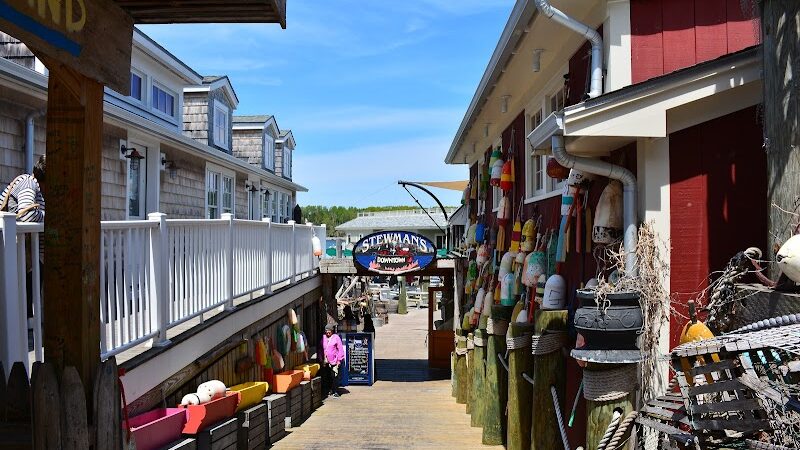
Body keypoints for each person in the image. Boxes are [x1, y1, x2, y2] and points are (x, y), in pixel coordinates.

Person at [1, 156, 45, 319]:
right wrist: (51, 217)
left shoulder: (33, 185)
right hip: (23, 256)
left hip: (27, 257)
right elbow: (26, 214)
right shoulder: (29, 184)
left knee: (25, 303)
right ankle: (23, 341)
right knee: (21, 305)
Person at [321, 324, 345, 397]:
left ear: (332, 331)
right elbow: (320, 349)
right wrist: (320, 358)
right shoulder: (323, 338)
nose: (328, 333)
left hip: (334, 361)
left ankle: (335, 390)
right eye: (326, 332)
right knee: (327, 376)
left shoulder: (336, 337)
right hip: (325, 361)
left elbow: (340, 349)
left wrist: (339, 360)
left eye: (329, 332)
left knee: (334, 376)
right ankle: (329, 390)